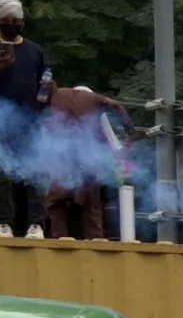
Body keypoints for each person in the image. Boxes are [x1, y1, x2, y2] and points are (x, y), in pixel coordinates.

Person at [0, 0, 52, 240]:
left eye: (16, 20)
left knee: (36, 173)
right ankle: (4, 224)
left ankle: (36, 225)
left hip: (32, 121)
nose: (12, 24)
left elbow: (46, 82)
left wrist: (48, 90)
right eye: (7, 20)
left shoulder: (35, 50)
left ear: (23, 22)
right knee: (2, 175)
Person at [40, 85, 133, 240]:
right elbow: (111, 143)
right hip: (86, 163)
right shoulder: (95, 108)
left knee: (55, 203)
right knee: (92, 207)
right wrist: (129, 136)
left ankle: (59, 238)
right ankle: (95, 240)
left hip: (61, 162)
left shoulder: (59, 103)